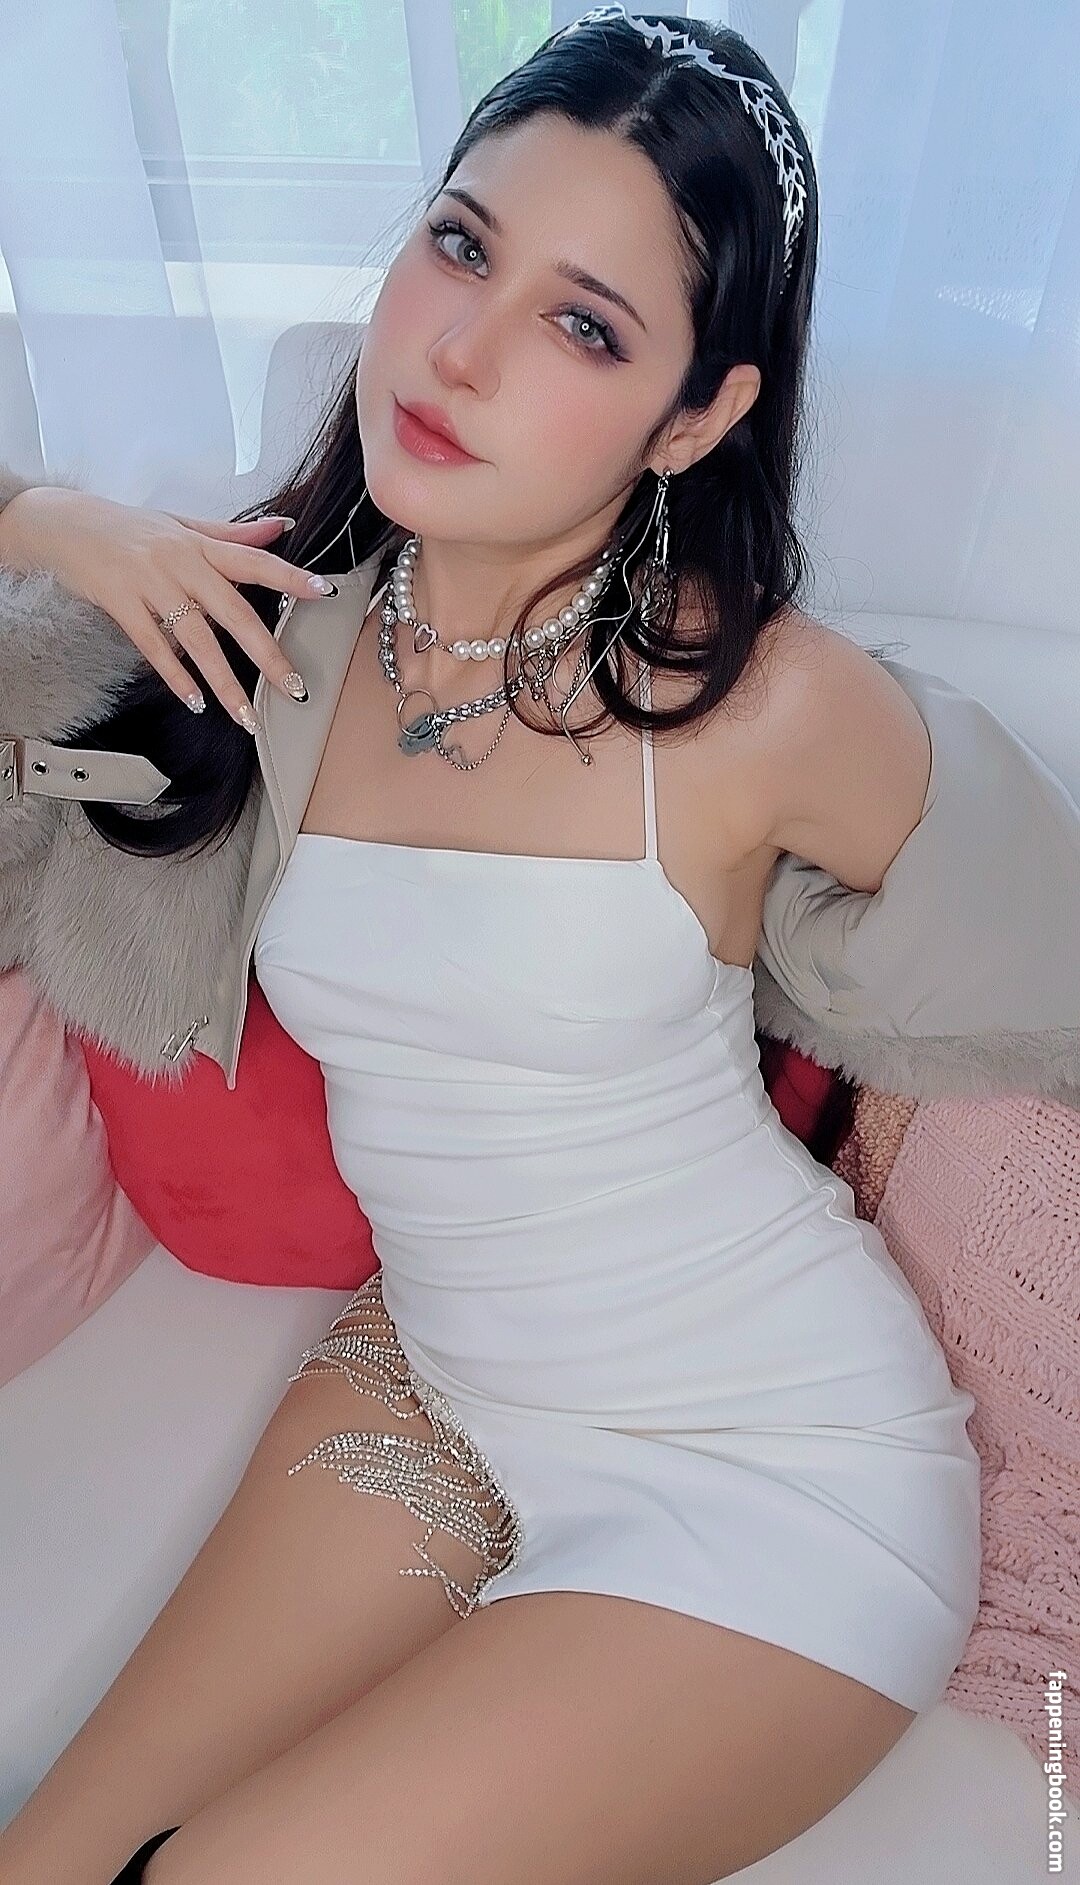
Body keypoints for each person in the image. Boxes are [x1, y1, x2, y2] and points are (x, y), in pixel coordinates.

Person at [0, 11, 992, 1882]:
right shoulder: (282, 622)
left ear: (696, 416)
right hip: (436, 1372)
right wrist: (43, 519)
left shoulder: (767, 700)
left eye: (585, 326)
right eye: (462, 243)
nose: (460, 349)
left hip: (776, 1472)